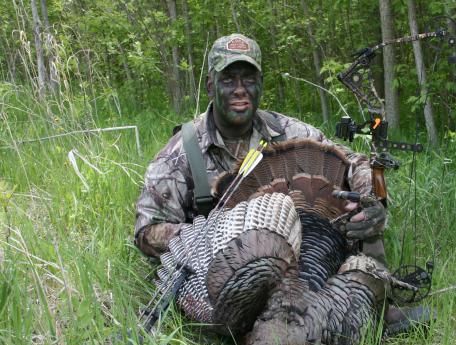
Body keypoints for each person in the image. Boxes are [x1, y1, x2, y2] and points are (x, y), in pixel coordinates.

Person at [134, 33, 386, 260]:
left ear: (261, 84)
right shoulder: (182, 151)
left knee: (365, 222)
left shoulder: (288, 132)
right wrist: (219, 236)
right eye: (229, 80)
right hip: (225, 267)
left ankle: (382, 301)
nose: (240, 90)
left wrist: (373, 201)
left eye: (249, 79)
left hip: (300, 253)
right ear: (211, 86)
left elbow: (356, 162)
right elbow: (147, 231)